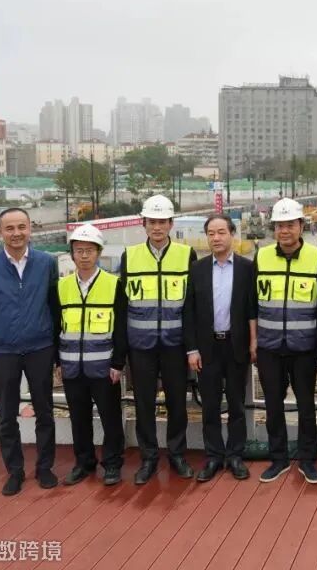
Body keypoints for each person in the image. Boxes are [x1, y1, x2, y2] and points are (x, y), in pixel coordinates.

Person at [0, 208, 61, 496]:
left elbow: (55, 308)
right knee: (7, 415)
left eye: (22, 226)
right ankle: (15, 471)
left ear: (30, 228)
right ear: (0, 232)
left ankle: (44, 467)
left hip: (40, 348)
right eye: (10, 228)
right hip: (2, 351)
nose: (16, 233)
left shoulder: (47, 263)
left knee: (45, 412)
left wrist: (56, 351)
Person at [120, 194, 197, 485]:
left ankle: (177, 454)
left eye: (162, 221)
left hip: (175, 345)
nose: (157, 227)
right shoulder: (130, 256)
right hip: (141, 346)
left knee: (178, 402)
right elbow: (123, 304)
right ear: (144, 223)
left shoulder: (186, 255)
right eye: (152, 221)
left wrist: (191, 346)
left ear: (171, 224)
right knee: (143, 404)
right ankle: (149, 458)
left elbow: (191, 305)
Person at [255, 197, 317, 484]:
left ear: (301, 226)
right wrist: (254, 341)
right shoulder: (261, 257)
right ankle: (279, 459)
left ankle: (307, 460)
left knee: (306, 406)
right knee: (273, 406)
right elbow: (251, 304)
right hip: (269, 347)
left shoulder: (316, 258)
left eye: (290, 225)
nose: (284, 231)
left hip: (303, 348)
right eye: (279, 226)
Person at [184, 214, 257, 482]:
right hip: (207, 348)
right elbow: (189, 311)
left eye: (221, 232)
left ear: (232, 234)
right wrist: (192, 349)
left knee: (237, 404)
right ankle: (214, 455)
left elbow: (252, 308)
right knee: (210, 405)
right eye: (211, 233)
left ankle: (235, 455)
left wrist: (253, 341)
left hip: (236, 346)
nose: (216, 238)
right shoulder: (197, 269)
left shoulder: (247, 268)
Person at [58, 223, 126, 487]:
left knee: (111, 418)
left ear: (98, 252)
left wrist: (118, 363)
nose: (84, 255)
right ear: (72, 254)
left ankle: (112, 464)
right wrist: (57, 362)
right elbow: (55, 326)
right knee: (79, 418)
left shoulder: (113, 284)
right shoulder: (61, 286)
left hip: (104, 367)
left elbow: (121, 328)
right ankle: (84, 463)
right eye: (79, 250)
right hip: (72, 367)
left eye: (89, 250)